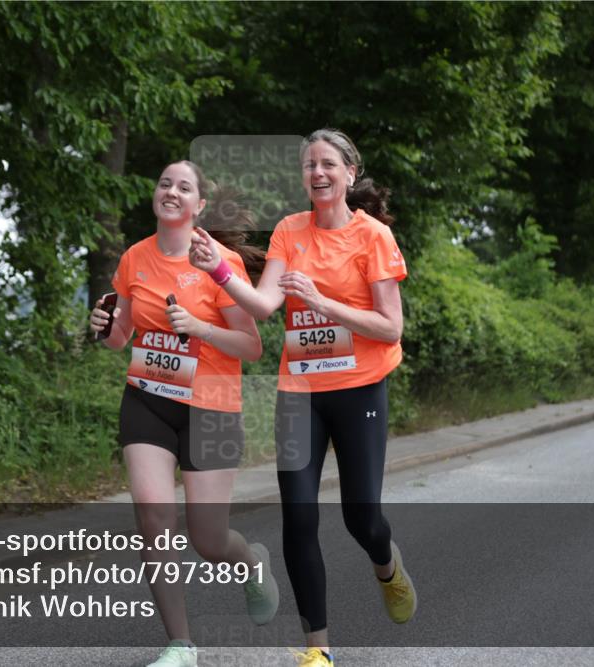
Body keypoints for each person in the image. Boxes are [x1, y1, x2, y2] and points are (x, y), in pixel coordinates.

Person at [190, 129, 415, 666]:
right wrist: (218, 268)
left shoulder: (373, 238)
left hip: (360, 388)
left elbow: (390, 327)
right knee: (298, 516)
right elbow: (264, 306)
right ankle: (319, 652)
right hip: (301, 392)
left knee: (363, 518)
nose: (317, 173)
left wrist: (323, 303)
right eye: (309, 165)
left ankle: (387, 565)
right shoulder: (291, 232)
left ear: (349, 173)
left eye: (328, 164)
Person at [89, 160, 279, 667]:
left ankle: (251, 564)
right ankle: (180, 645)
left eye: (184, 187)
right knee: (154, 515)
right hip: (148, 399)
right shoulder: (134, 258)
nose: (171, 191)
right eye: (165, 183)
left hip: (211, 408)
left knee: (207, 538)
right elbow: (120, 337)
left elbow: (252, 346)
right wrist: (101, 326)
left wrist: (199, 327)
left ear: (198, 207)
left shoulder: (219, 262)